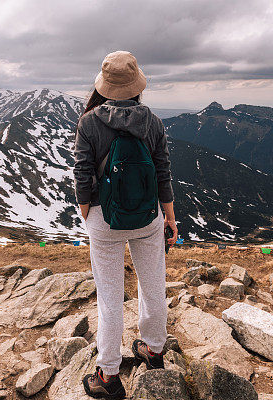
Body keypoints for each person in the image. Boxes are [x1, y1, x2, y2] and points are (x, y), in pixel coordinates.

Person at [73, 50, 178, 399]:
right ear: (136, 85)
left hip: (104, 220)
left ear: (104, 86)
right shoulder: (153, 122)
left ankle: (108, 375)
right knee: (152, 287)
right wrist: (170, 216)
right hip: (148, 219)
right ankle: (153, 349)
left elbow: (82, 173)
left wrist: (88, 211)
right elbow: (162, 173)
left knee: (110, 299)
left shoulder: (88, 122)